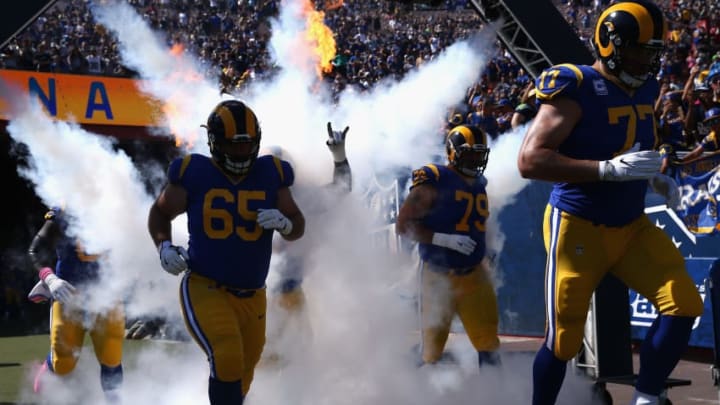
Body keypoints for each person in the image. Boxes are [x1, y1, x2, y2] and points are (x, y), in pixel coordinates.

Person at [516, 2, 704, 404]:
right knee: (564, 340)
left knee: (684, 302)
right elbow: (530, 160)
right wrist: (606, 170)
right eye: (638, 50)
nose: (646, 60)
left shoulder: (646, 87)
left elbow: (632, 144)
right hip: (578, 224)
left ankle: (647, 398)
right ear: (610, 45)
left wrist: (653, 174)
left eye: (652, 52)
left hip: (631, 225)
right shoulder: (575, 86)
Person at [147, 99, 305, 405]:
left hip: (253, 294)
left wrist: (285, 223)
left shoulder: (271, 172)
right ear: (215, 143)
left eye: (247, 146)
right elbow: (159, 212)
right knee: (228, 355)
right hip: (206, 286)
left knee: (243, 372)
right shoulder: (194, 172)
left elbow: (298, 224)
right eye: (234, 146)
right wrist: (163, 245)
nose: (242, 153)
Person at [395, 124, 500, 369]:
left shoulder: (479, 183)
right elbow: (404, 225)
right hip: (438, 277)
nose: (475, 160)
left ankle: (495, 394)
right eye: (469, 154)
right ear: (453, 152)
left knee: (488, 346)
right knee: (431, 351)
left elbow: (481, 222)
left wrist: (488, 249)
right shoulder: (435, 179)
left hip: (474, 276)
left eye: (479, 154)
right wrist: (445, 239)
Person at [260, 122, 352, 365]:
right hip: (255, 294)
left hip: (289, 291)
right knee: (258, 363)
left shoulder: (300, 195)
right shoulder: (248, 196)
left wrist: (339, 157)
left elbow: (341, 190)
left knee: (298, 359)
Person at [27, 207, 124, 404]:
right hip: (69, 294)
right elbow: (34, 250)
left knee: (111, 354)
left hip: (107, 293)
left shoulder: (117, 200)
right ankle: (49, 364)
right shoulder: (64, 210)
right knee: (63, 363)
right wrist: (50, 278)